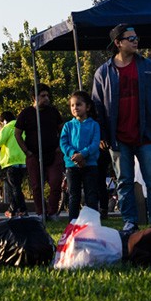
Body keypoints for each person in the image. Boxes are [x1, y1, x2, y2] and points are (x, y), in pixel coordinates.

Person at [91, 24, 151, 232]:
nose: (136, 40)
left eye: (136, 37)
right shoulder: (103, 72)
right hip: (117, 137)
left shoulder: (148, 66)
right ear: (118, 43)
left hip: (146, 134)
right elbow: (97, 106)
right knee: (124, 182)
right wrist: (101, 133)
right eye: (130, 38)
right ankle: (130, 221)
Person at [14, 83, 65, 220]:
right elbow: (17, 134)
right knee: (36, 186)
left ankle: (52, 212)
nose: (46, 98)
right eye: (43, 96)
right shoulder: (26, 113)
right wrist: (26, 151)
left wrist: (60, 148)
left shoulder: (53, 112)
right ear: (34, 97)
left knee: (55, 183)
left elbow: (63, 130)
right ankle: (40, 212)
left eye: (47, 95)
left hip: (53, 154)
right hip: (34, 155)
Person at [60, 91, 102, 220]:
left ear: (87, 107)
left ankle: (92, 222)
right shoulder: (68, 126)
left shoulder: (94, 125)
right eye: (72, 105)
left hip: (90, 165)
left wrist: (83, 154)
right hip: (72, 166)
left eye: (78, 104)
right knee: (74, 195)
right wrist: (73, 154)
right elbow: (63, 142)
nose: (75, 108)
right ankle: (73, 223)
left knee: (91, 195)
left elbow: (95, 144)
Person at [0, 110, 28, 218]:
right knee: (16, 186)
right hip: (22, 161)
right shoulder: (21, 126)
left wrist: (1, 130)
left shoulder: (8, 127)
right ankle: (12, 209)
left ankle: (22, 209)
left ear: (3, 121)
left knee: (15, 188)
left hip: (11, 161)